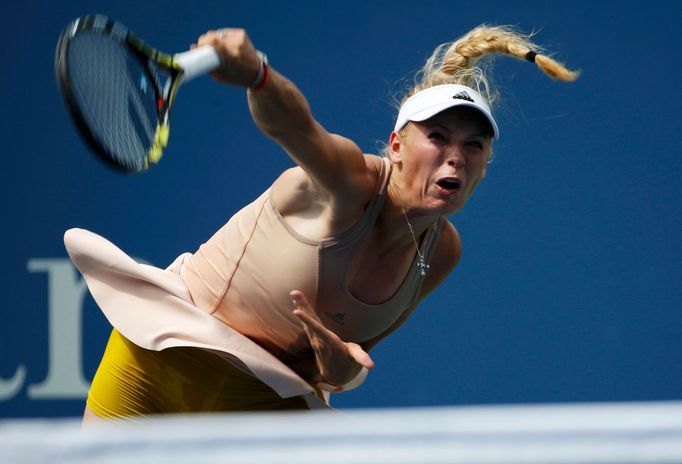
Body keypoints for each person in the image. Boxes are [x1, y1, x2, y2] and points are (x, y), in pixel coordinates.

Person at [64, 24, 577, 423]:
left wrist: (340, 368)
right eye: (438, 137)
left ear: (487, 163)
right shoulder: (348, 183)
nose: (455, 157)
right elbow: (294, 126)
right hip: (160, 366)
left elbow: (352, 361)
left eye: (473, 145)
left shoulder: (441, 253)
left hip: (262, 407)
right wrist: (258, 74)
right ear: (396, 146)